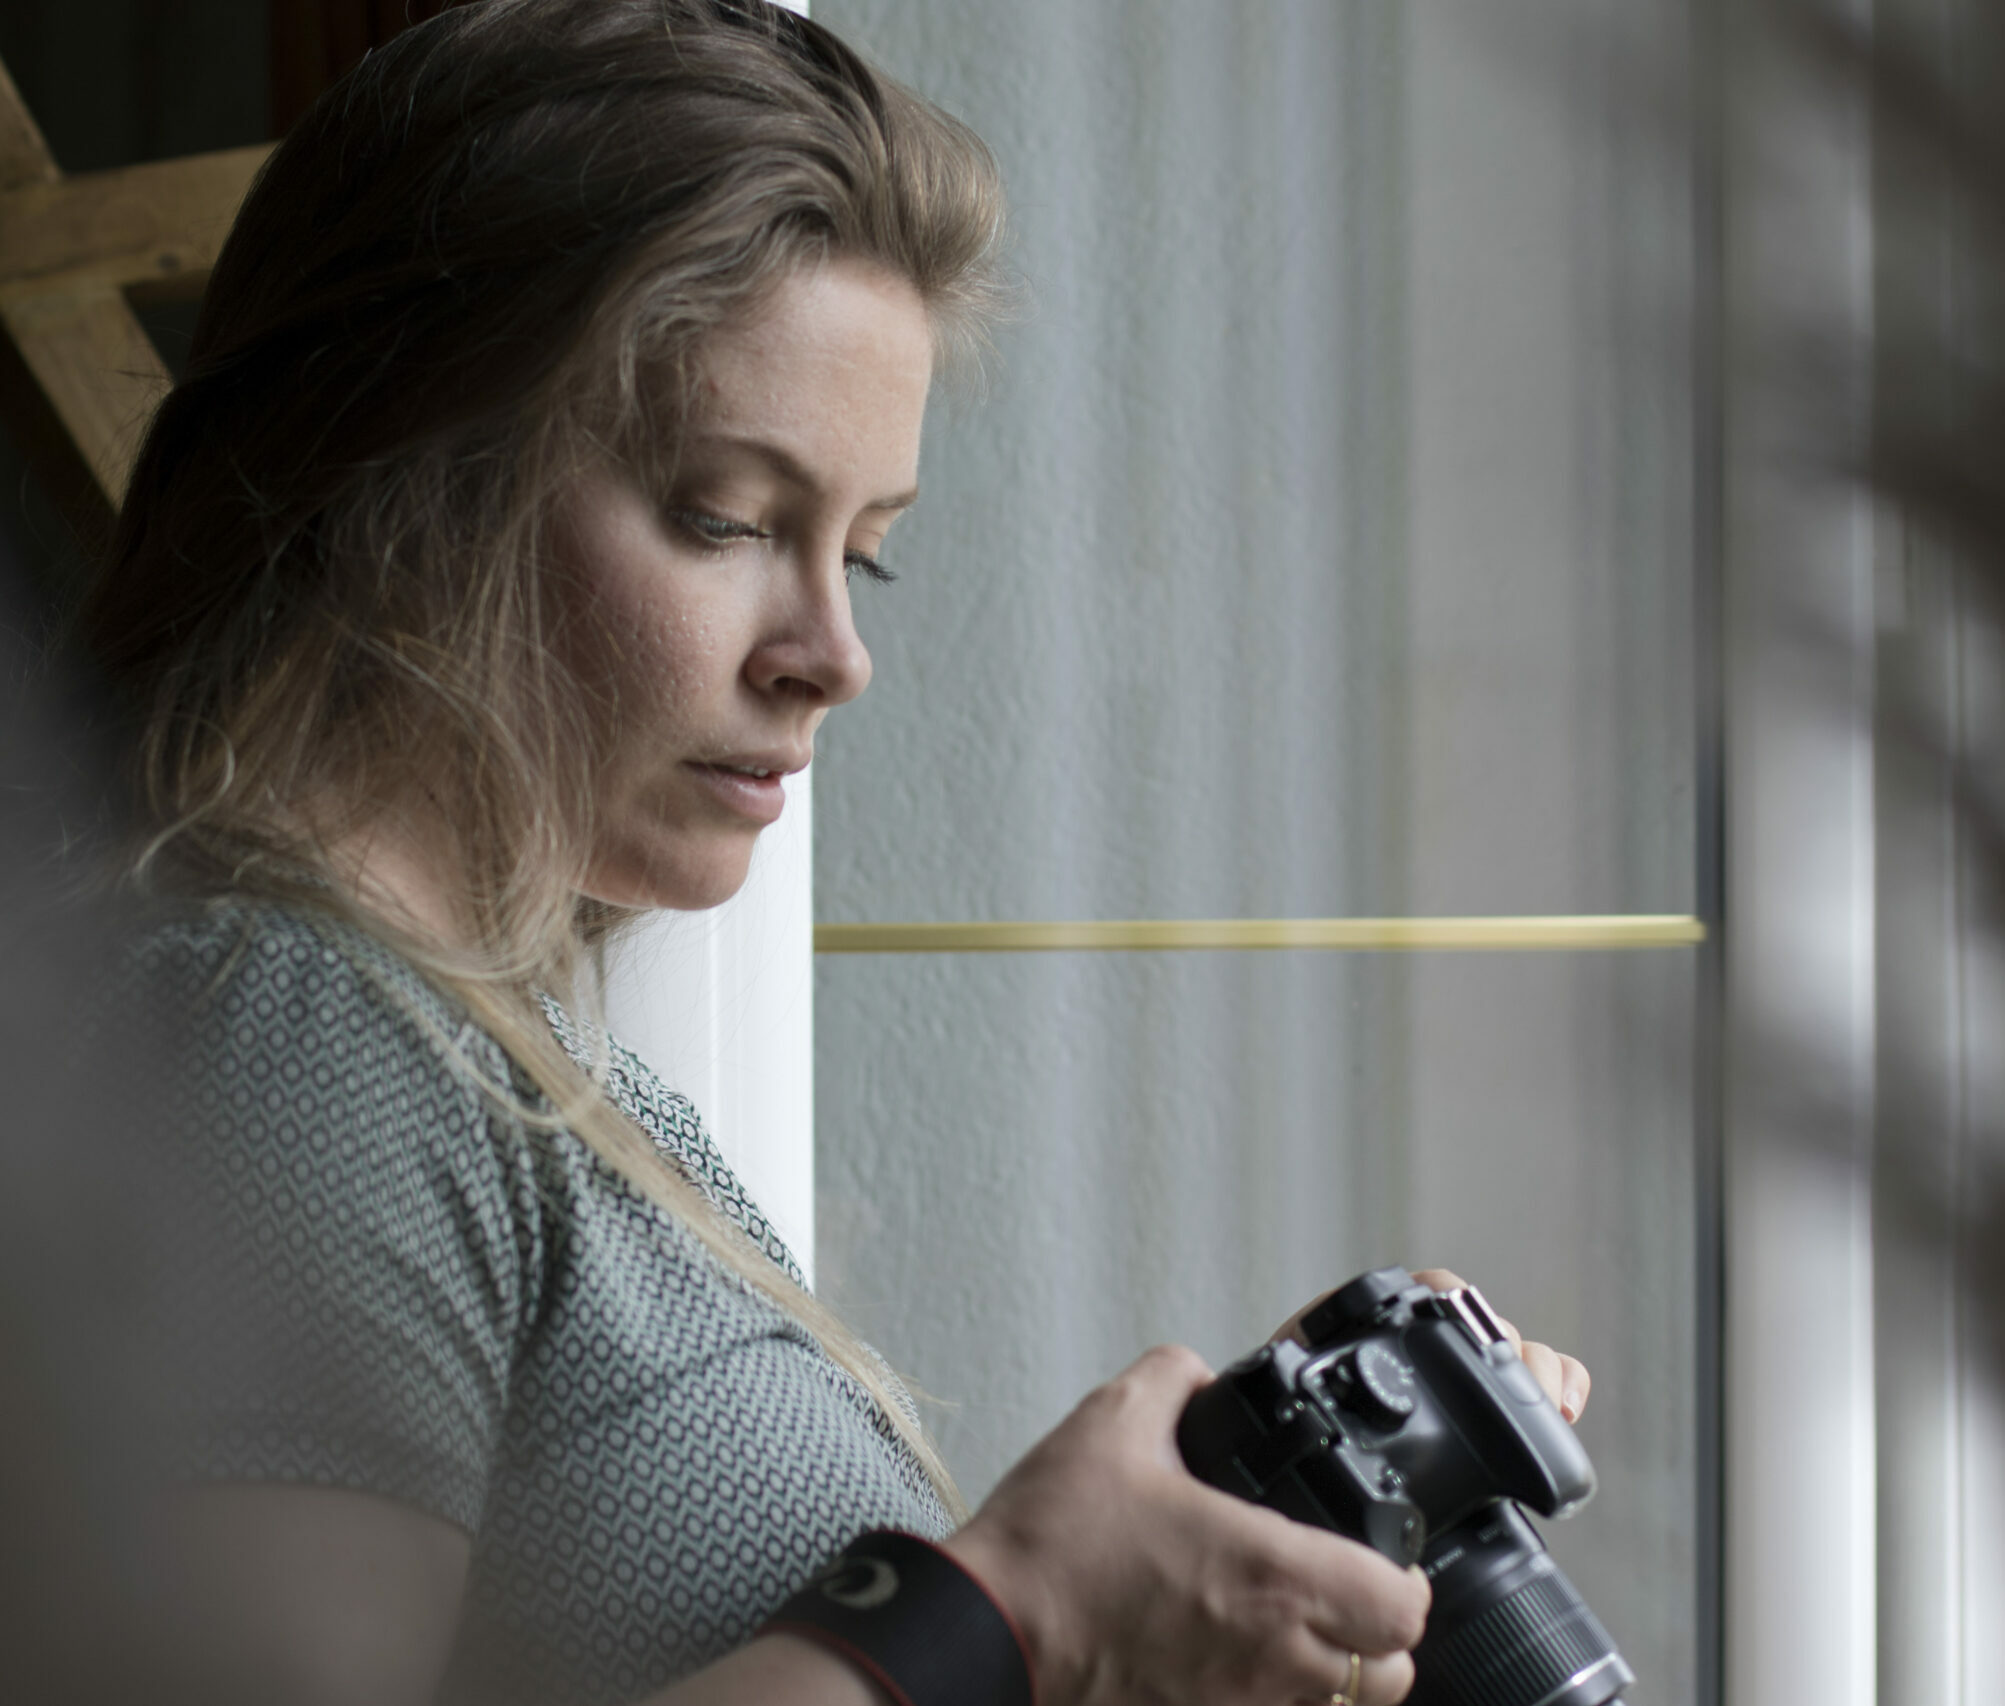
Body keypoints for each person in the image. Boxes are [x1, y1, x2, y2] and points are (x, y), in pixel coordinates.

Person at [68, 3, 1590, 1703]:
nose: (832, 652)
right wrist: (1010, 1609)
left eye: (860, 556)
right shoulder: (283, 1039)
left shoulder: (518, 1081)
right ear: (402, 475)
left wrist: (1196, 1556)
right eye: (727, 515)